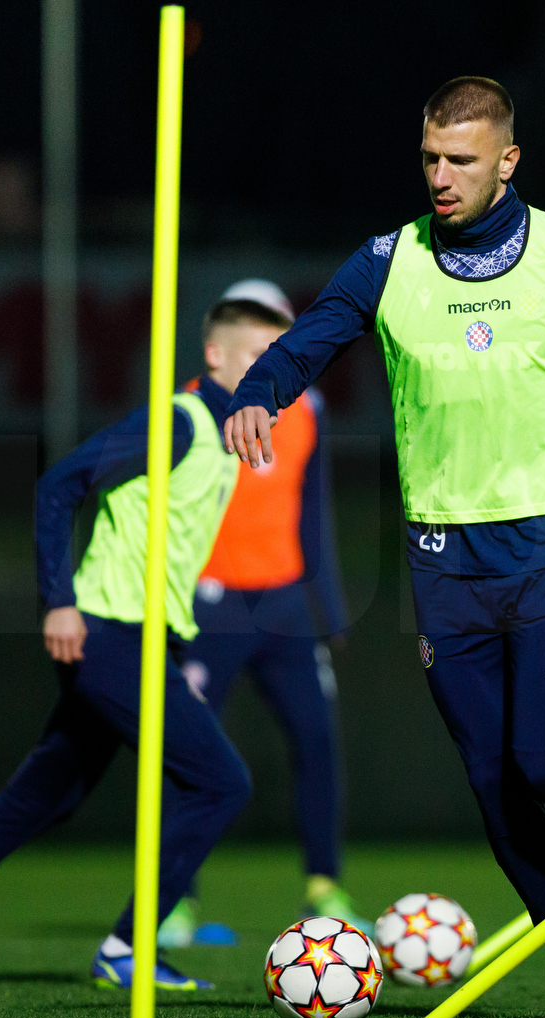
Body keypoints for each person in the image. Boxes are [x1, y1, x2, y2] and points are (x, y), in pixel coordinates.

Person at [224, 77, 545, 1018]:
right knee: (491, 776)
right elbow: (312, 336)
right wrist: (259, 390)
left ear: (507, 162)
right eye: (430, 158)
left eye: (461, 160)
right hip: (442, 558)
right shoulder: (389, 260)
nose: (440, 176)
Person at [0, 361, 251, 992]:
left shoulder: (227, 439)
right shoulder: (181, 423)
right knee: (220, 783)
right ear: (219, 357)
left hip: (136, 638)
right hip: (106, 634)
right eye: (265, 350)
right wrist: (58, 599)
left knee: (43, 796)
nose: (283, 367)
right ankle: (126, 949)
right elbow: (58, 485)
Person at [160, 281, 359, 947]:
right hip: (207, 604)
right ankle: (174, 899)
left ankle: (324, 886)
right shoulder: (188, 408)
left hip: (283, 606)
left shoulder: (308, 408)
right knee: (186, 754)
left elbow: (312, 512)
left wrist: (328, 608)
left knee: (319, 739)